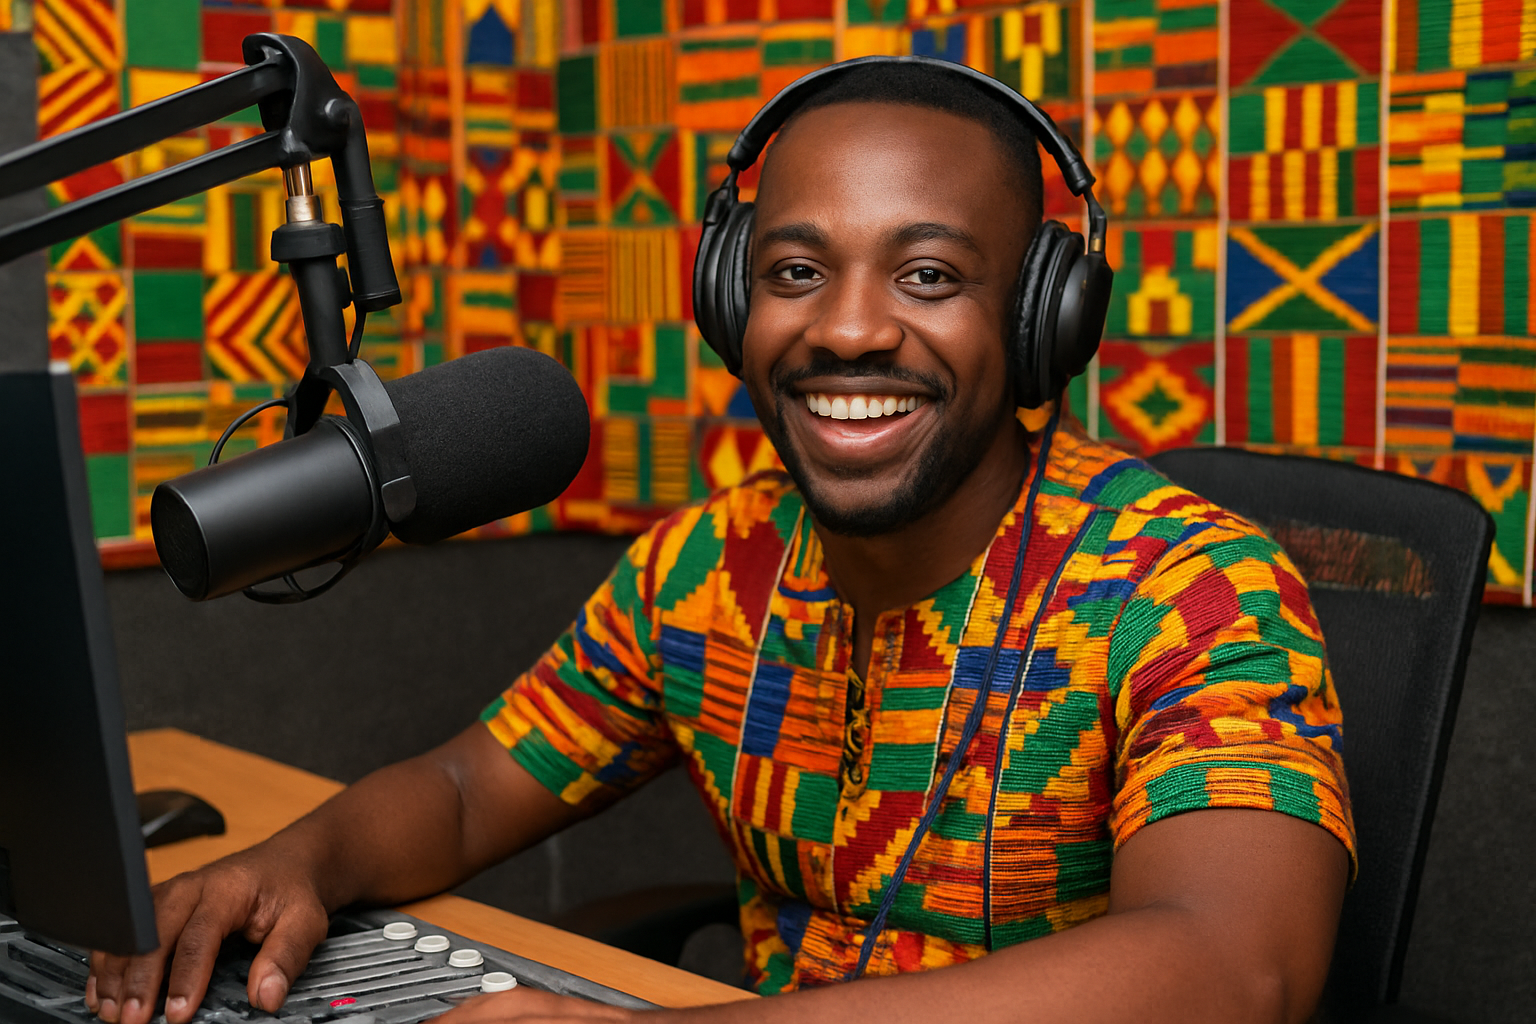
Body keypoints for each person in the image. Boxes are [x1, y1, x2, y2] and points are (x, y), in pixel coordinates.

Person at [86, 58, 1353, 1024]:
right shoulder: (709, 568)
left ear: (1041, 321)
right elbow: (470, 788)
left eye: (928, 276)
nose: (848, 331)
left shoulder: (1192, 589)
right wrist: (300, 859)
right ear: (729, 297)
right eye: (797, 271)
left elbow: (1235, 963)